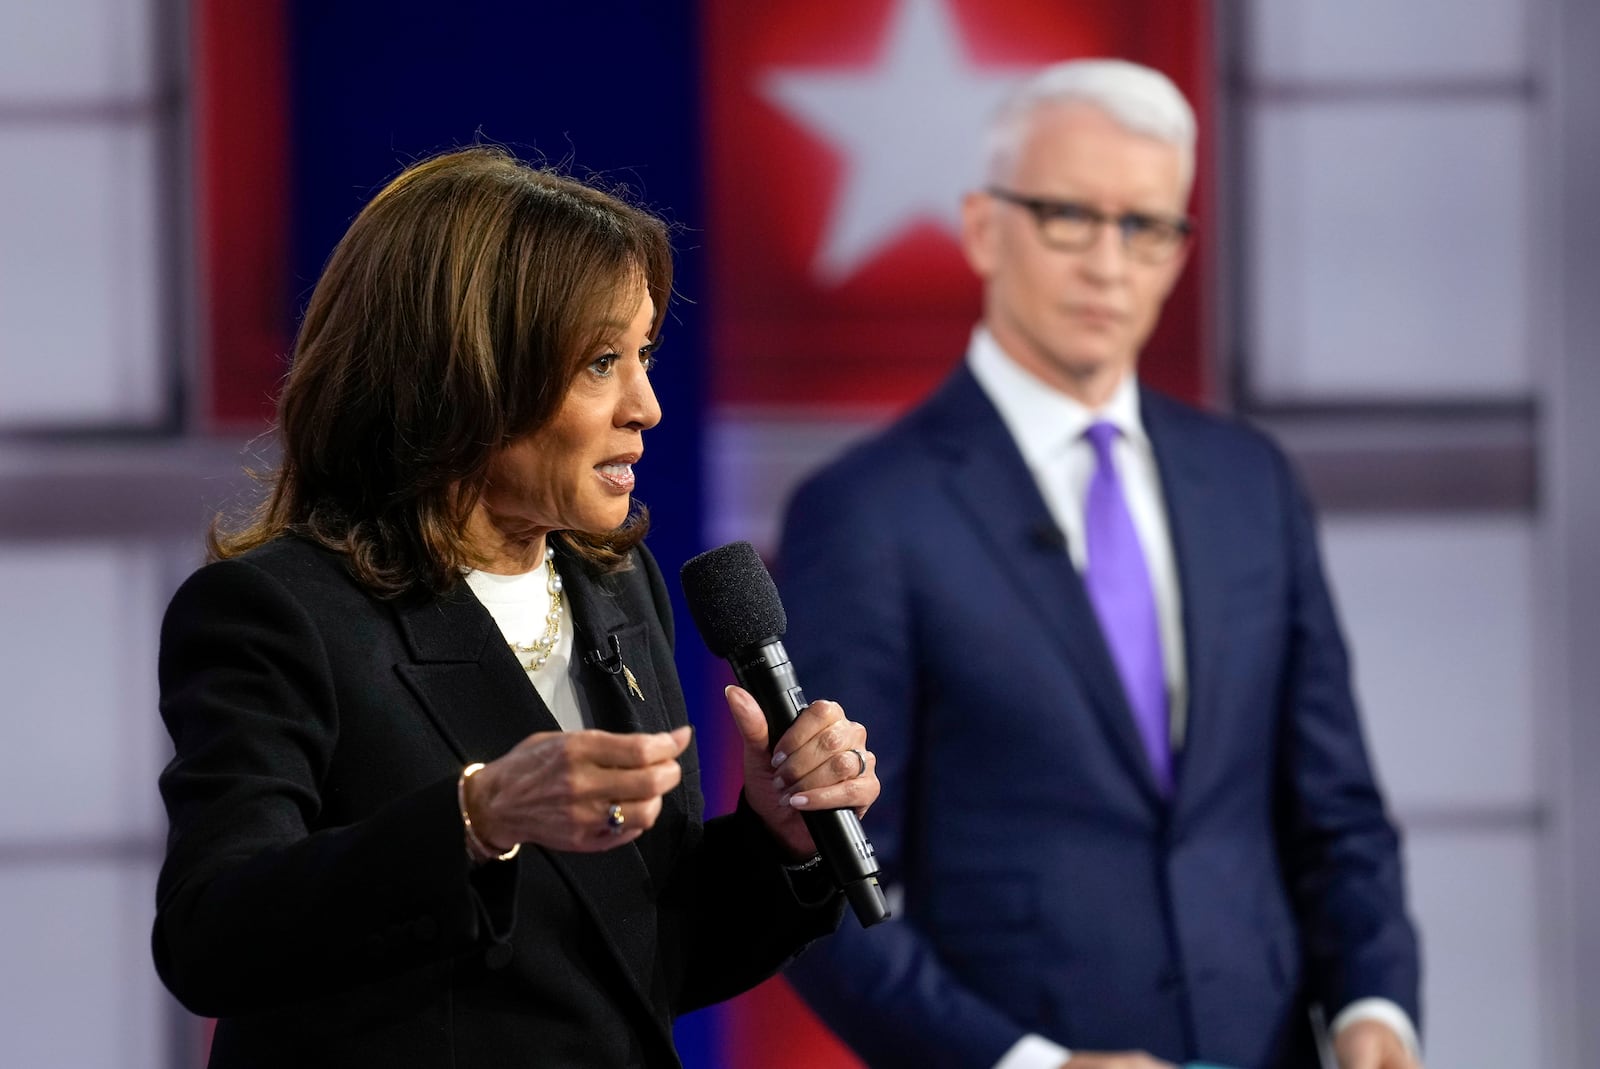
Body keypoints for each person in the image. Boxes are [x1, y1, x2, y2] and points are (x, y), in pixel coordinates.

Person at [152, 147, 880, 1069]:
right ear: (467, 372)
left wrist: (775, 835)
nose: (647, 405)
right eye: (600, 362)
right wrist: (473, 817)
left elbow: (626, 965)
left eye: (645, 355)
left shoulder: (620, 586)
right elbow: (212, 936)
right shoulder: (278, 614)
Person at [779, 60, 1421, 1069]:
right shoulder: (864, 514)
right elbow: (814, 889)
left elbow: (1335, 813)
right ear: (984, 226)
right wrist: (1031, 1065)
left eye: (1147, 226)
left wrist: (1373, 1010)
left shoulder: (1249, 483)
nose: (1110, 264)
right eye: (1069, 216)